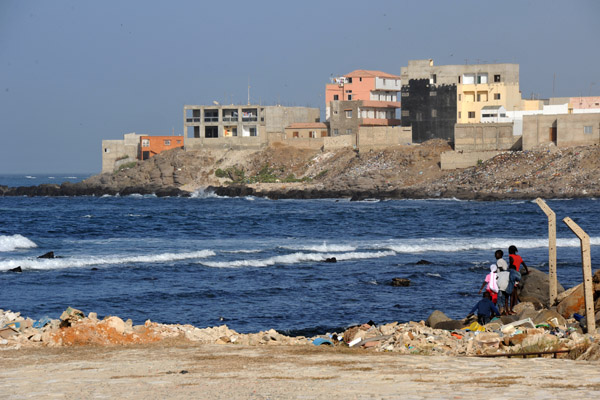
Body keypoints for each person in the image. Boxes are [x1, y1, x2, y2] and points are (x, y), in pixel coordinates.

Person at [495, 250, 510, 315]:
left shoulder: (499, 261)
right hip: (506, 279)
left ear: (500, 255)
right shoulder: (504, 261)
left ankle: (500, 309)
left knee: (500, 296)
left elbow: (501, 269)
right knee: (504, 296)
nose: (495, 256)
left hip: (501, 279)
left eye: (496, 254)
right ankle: (504, 308)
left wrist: (497, 275)